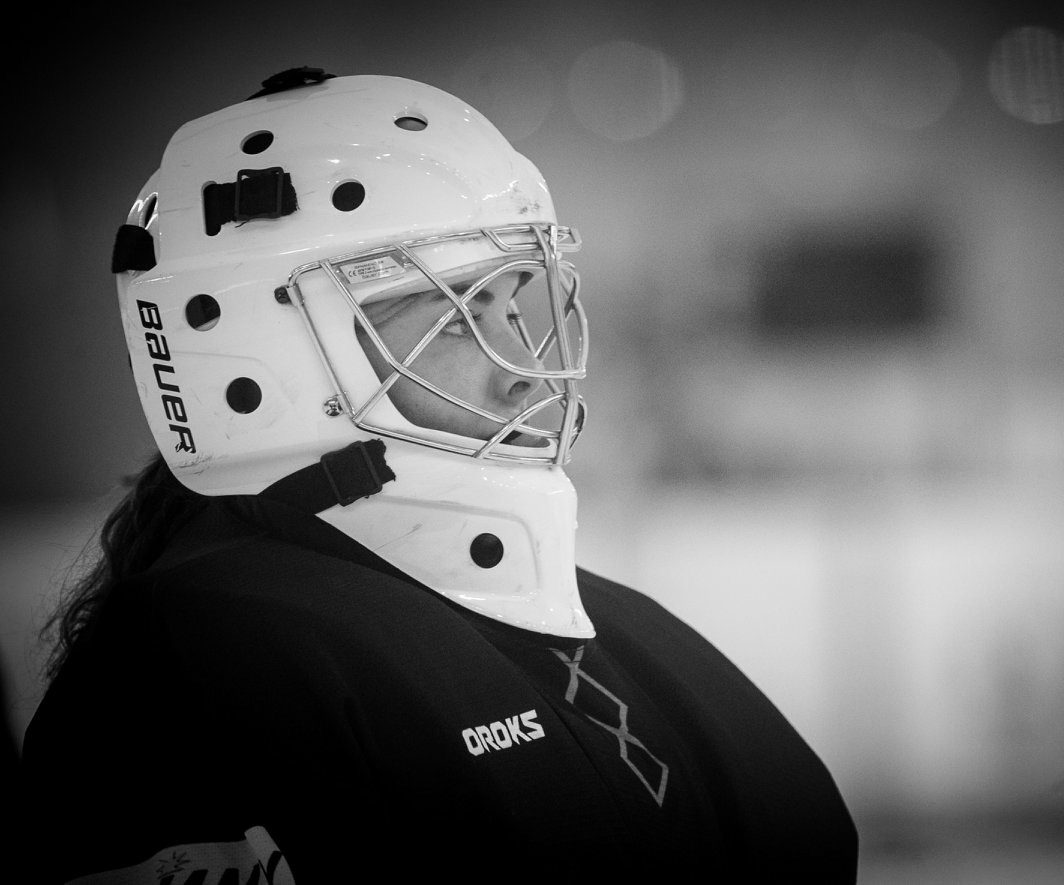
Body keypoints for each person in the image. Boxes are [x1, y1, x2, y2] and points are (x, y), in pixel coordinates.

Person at [19, 68, 858, 883]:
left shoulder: (603, 617)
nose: (526, 371)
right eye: (459, 316)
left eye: (514, 307)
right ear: (279, 353)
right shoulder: (200, 664)